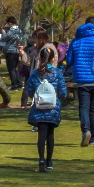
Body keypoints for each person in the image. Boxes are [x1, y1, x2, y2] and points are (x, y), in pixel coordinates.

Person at [26, 44, 67, 172]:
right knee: (50, 134)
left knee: (41, 134)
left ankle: (41, 159)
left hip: (39, 107)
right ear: (53, 59)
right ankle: (49, 161)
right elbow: (63, 92)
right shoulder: (58, 73)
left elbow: (29, 90)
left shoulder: (35, 73)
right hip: (53, 108)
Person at [66, 19, 94, 146]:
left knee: (83, 107)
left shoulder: (76, 41)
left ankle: (85, 130)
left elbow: (69, 60)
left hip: (81, 79)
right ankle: (93, 136)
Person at [0, 19, 26, 93]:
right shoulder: (19, 31)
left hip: (10, 51)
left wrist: (3, 32)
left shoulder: (11, 31)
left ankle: (14, 85)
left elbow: (5, 39)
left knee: (11, 68)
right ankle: (19, 83)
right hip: (17, 51)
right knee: (16, 68)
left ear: (10, 23)